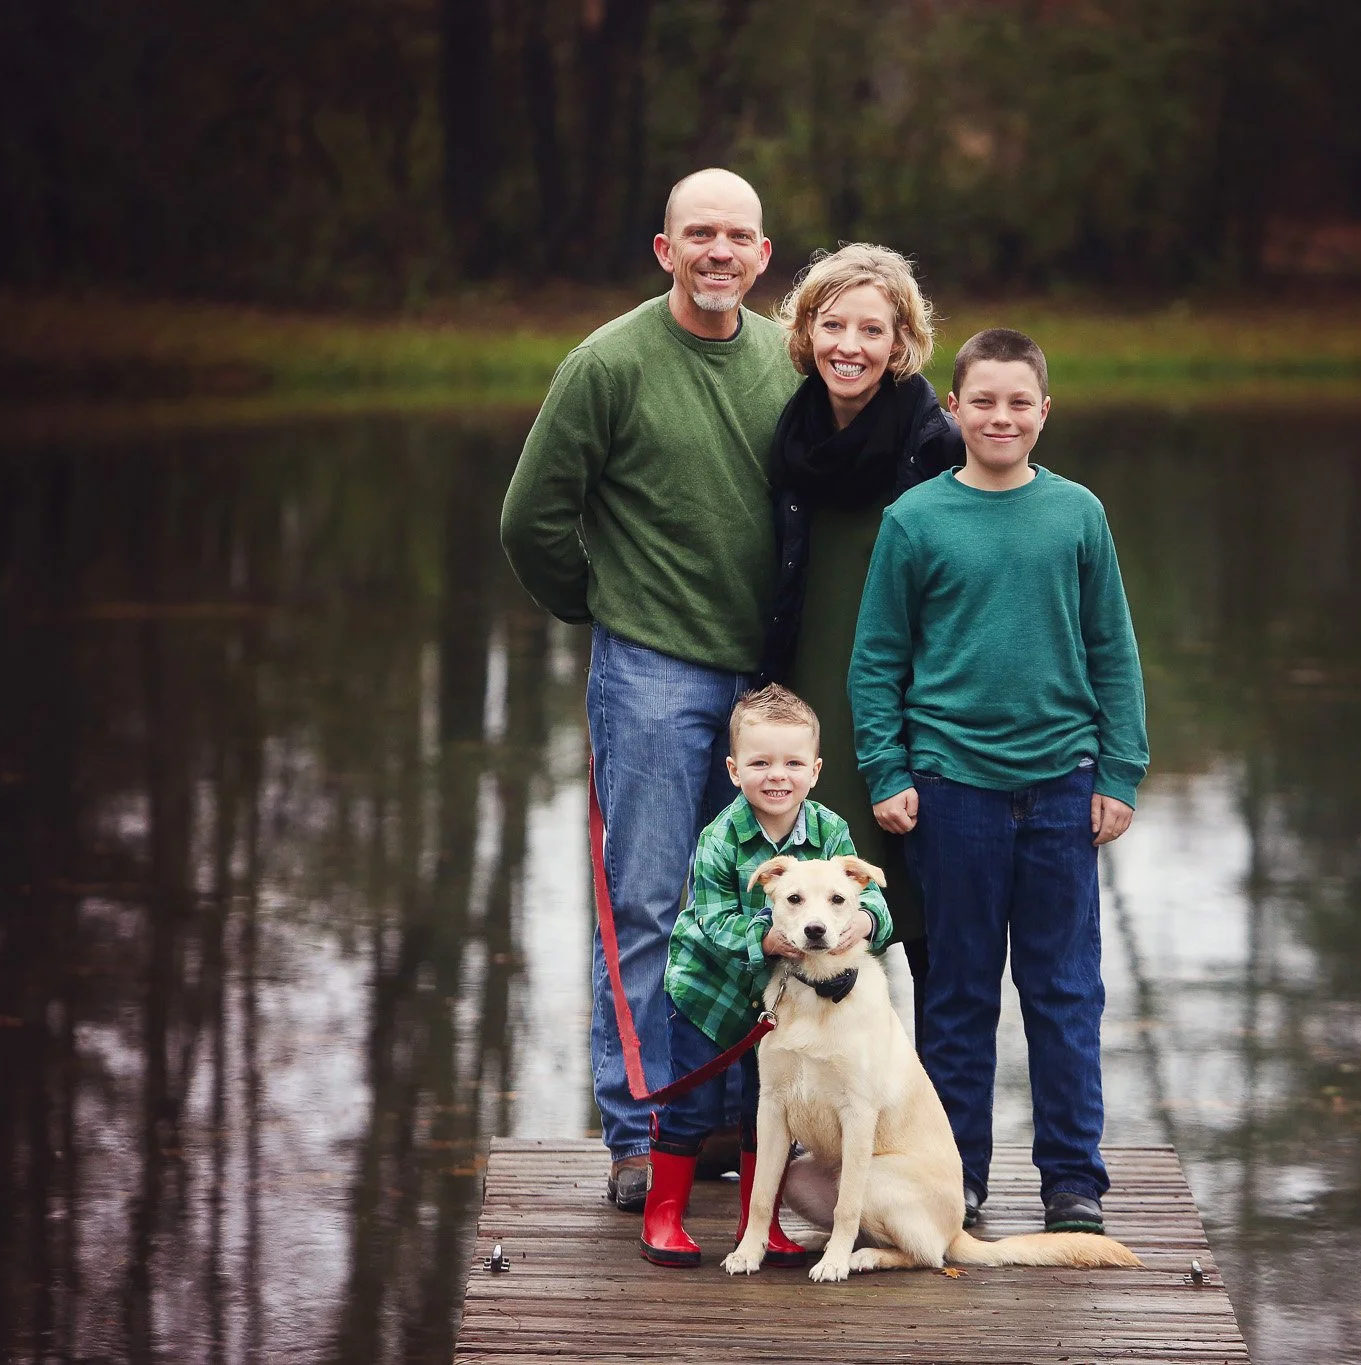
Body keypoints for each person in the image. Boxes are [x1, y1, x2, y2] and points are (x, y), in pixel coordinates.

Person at [499, 168, 800, 1212]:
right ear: (664, 250)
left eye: (739, 238)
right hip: (652, 676)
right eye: (698, 235)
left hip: (768, 688)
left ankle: (722, 1122)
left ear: (763, 258)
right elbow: (531, 517)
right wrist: (604, 605)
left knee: (757, 903)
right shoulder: (608, 364)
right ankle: (638, 1134)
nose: (720, 253)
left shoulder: (785, 360)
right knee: (646, 905)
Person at [847, 327, 1149, 1237]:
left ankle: (1072, 1182)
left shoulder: (1077, 514)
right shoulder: (916, 520)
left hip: (1063, 786)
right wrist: (887, 767)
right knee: (960, 991)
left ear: (1044, 411)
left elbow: (1114, 650)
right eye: (983, 400)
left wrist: (1121, 769)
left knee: (1065, 990)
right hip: (952, 790)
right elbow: (878, 659)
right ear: (954, 408)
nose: (1001, 416)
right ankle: (959, 1175)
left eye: (1019, 402)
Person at [759, 243, 961, 1046]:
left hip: (910, 702)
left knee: (923, 918)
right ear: (806, 331)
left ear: (900, 339)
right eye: (831, 323)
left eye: (871, 329)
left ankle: (942, 1135)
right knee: (817, 922)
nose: (849, 344)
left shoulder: (935, 442)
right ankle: (810, 1129)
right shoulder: (793, 428)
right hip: (809, 692)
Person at [641, 684, 895, 1267]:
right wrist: (767, 938)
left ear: (815, 770)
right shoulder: (719, 838)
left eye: (792, 763)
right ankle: (664, 1216)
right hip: (711, 993)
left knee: (771, 1106)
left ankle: (759, 1228)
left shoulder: (830, 833)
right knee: (695, 1107)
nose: (776, 775)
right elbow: (711, 920)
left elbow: (867, 896)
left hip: (786, 1006)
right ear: (733, 770)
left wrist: (866, 924)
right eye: (759, 763)